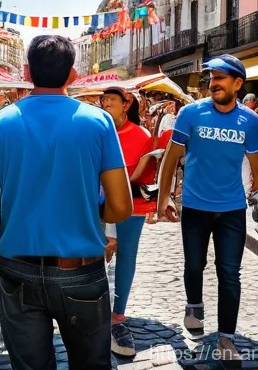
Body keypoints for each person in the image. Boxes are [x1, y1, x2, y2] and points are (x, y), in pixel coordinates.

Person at [0, 35, 133, 369]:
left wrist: (5, 237)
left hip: (17, 265)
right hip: (81, 266)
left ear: (27, 70)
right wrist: (94, 220)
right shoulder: (98, 122)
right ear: (73, 75)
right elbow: (121, 207)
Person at [157, 54, 258, 363]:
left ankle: (227, 338)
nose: (214, 83)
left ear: (238, 83)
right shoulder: (190, 113)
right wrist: (164, 198)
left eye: (221, 78)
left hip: (232, 209)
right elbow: (171, 158)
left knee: (230, 274)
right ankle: (194, 306)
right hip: (195, 207)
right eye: (212, 78)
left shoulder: (250, 121)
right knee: (194, 265)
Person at [99, 87, 154, 357]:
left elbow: (146, 175)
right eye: (104, 100)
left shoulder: (141, 135)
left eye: (112, 100)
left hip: (132, 205)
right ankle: (94, 307)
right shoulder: (96, 130)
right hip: (98, 204)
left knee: (126, 256)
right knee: (97, 254)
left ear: (125, 105)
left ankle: (118, 313)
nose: (107, 103)